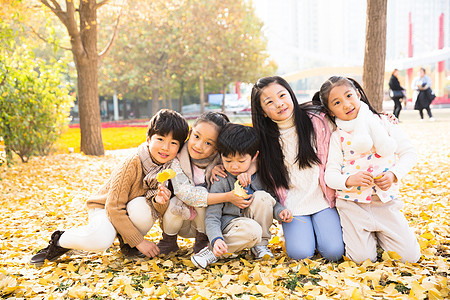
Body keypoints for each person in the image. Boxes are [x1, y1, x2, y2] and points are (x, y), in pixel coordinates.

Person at [30, 109, 189, 265]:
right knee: (101, 240)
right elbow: (113, 207)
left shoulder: (169, 170)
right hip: (105, 208)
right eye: (160, 139)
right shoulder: (132, 163)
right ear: (148, 139)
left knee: (143, 209)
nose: (165, 148)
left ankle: (127, 244)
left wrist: (160, 202)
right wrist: (140, 242)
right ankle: (60, 240)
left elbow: (156, 213)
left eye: (173, 143)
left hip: (128, 210)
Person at [317, 76, 421, 263]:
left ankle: (384, 236)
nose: (347, 104)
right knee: (361, 259)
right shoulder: (337, 137)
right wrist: (348, 180)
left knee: (409, 257)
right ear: (330, 111)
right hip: (353, 205)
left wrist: (393, 174)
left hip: (385, 202)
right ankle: (367, 239)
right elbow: (330, 174)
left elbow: (409, 153)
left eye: (349, 96)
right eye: (337, 103)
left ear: (358, 94)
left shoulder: (384, 122)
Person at [250, 76, 344, 262]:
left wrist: (380, 118)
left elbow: (350, 119)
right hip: (293, 204)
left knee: (334, 252)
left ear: (291, 94)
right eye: (270, 102)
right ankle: (308, 234)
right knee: (300, 254)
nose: (279, 104)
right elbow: (241, 155)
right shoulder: (263, 139)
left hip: (323, 199)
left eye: (282, 95)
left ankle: (321, 232)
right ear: (263, 112)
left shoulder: (317, 120)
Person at [190, 123, 292, 268]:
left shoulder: (259, 176)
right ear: (221, 156)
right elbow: (212, 215)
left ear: (254, 157)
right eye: (228, 161)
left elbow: (271, 200)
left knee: (262, 197)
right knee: (251, 230)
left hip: (252, 222)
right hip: (233, 227)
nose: (234, 166)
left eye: (241, 161)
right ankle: (212, 251)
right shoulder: (221, 178)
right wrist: (215, 239)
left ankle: (260, 246)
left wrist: (280, 211)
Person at [158, 112, 248, 254]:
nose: (199, 146)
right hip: (180, 219)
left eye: (208, 143)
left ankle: (202, 241)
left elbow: (249, 157)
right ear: (190, 132)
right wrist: (227, 196)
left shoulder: (223, 162)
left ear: (217, 148)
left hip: (208, 224)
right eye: (196, 136)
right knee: (177, 201)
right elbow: (184, 193)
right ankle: (168, 240)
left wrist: (238, 173)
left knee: (205, 201)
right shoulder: (177, 159)